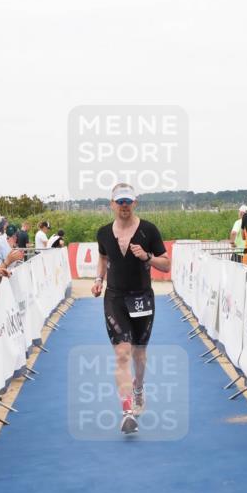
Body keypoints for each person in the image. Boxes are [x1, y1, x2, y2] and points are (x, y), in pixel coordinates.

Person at [92, 183, 170, 435]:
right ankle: (126, 412)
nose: (124, 206)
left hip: (142, 298)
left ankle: (139, 387)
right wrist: (98, 280)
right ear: (112, 204)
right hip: (114, 298)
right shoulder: (103, 233)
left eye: (128, 201)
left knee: (139, 354)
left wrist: (147, 257)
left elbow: (166, 265)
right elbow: (103, 257)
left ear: (135, 203)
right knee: (122, 353)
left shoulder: (149, 230)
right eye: (119, 202)